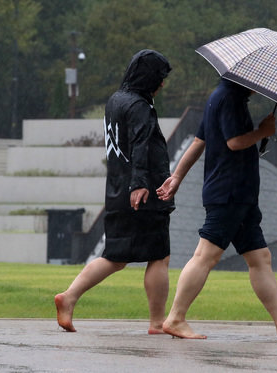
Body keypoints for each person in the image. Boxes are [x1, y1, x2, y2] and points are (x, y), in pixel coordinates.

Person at [156, 78, 277, 339]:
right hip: (230, 192)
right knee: (205, 256)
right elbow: (234, 142)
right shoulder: (230, 99)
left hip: (238, 195)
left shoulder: (218, 96)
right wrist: (263, 132)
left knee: (260, 258)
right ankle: (175, 318)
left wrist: (176, 177)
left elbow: (199, 141)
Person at [55, 49, 175, 334]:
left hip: (118, 190)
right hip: (143, 191)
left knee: (116, 256)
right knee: (159, 255)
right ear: (149, 78)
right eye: (160, 77)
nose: (163, 84)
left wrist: (131, 185)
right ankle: (157, 323)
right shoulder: (140, 107)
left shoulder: (116, 101)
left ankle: (69, 297)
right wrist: (141, 184)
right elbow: (142, 144)